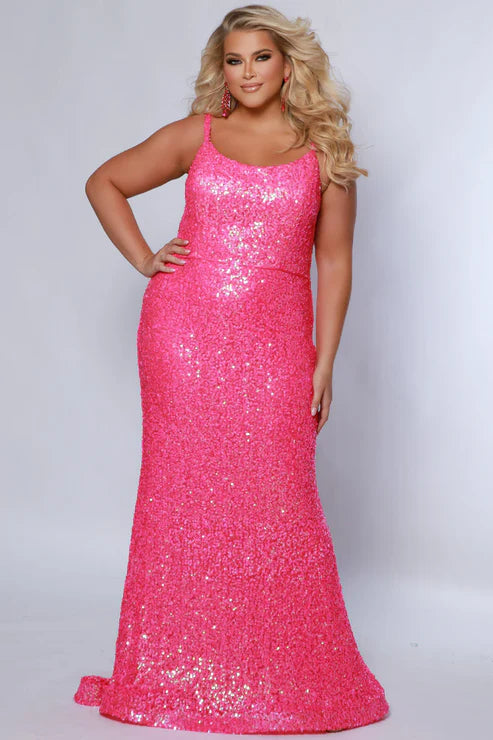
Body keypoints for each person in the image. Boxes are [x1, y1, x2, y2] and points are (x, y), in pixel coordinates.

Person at [73, 3, 390, 734]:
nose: (247, 72)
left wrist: (324, 361)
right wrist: (145, 258)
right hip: (181, 339)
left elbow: (335, 261)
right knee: (181, 499)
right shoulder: (197, 135)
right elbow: (104, 182)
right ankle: (175, 668)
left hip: (276, 347)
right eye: (234, 59)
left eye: (261, 57)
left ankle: (271, 665)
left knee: (276, 498)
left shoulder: (324, 150)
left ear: (288, 65)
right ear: (221, 68)